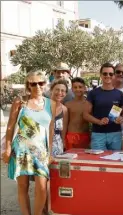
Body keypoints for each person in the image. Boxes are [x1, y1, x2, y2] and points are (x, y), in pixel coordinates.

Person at [2, 70, 56, 215]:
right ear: (28, 85)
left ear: (45, 84)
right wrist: (7, 149)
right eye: (33, 83)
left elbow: (50, 131)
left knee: (42, 188)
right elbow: (10, 126)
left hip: (40, 152)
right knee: (23, 187)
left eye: (41, 83)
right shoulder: (20, 102)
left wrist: (50, 153)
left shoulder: (51, 104)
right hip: (21, 150)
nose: (37, 86)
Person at [83, 63, 123, 150]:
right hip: (98, 135)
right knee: (98, 162)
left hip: (116, 135)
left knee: (115, 162)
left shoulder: (119, 94)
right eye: (105, 73)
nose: (108, 76)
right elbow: (85, 114)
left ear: (114, 75)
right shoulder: (93, 93)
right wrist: (99, 121)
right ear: (100, 75)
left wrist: (122, 118)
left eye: (111, 74)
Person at [65, 77, 90, 150]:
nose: (78, 89)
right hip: (71, 136)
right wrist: (63, 138)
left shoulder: (89, 104)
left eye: (80, 87)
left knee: (83, 159)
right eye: (75, 87)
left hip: (85, 136)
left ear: (85, 88)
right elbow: (65, 123)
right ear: (72, 89)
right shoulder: (68, 104)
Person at [50, 79, 68, 156]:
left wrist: (63, 143)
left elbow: (64, 129)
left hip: (57, 144)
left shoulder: (64, 109)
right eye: (57, 90)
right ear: (51, 90)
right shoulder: (43, 105)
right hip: (42, 142)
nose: (60, 93)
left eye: (63, 91)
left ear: (66, 94)